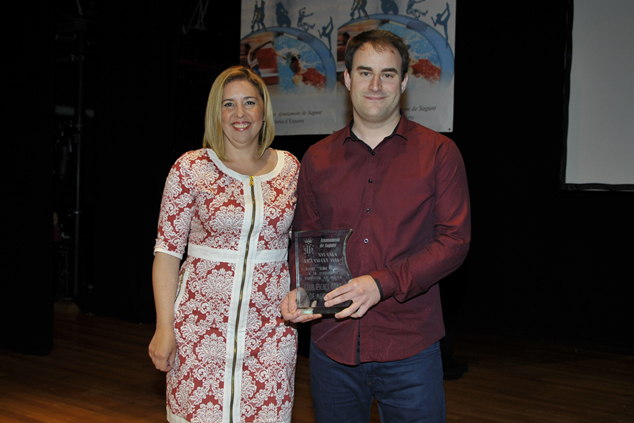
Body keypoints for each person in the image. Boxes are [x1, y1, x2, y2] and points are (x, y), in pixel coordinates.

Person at [281, 29, 471, 423]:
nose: (375, 85)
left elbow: (454, 241)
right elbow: (306, 239)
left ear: (404, 82)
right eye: (365, 72)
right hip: (332, 347)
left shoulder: (439, 153)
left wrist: (381, 283)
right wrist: (300, 288)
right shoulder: (317, 159)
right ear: (348, 78)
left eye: (388, 74)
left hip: (409, 347)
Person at [149, 66, 300, 423]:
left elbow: (304, 248)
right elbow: (167, 253)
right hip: (200, 333)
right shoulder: (190, 168)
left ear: (264, 109)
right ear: (215, 112)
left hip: (271, 335)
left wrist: (306, 301)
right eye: (228, 104)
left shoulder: (291, 169)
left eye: (249, 102)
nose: (239, 114)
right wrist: (164, 327)